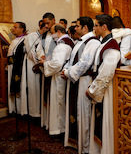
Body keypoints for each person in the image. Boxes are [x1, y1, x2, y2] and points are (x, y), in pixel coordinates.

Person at [61, 16, 100, 153]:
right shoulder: (80, 41)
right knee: (75, 111)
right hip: (75, 80)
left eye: (77, 26)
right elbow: (71, 60)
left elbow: (84, 63)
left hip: (83, 81)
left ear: (85, 27)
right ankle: (77, 142)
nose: (75, 28)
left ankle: (85, 147)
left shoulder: (93, 42)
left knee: (83, 113)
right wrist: (66, 69)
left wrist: (67, 72)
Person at [86, 14, 120, 154]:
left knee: (104, 120)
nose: (94, 28)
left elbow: (107, 72)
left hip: (107, 90)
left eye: (96, 25)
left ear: (104, 27)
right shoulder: (103, 43)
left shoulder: (112, 45)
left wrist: (93, 90)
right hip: (100, 87)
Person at [39, 24, 74, 136]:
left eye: (52, 33)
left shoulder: (61, 45)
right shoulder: (69, 41)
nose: (52, 36)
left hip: (59, 77)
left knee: (59, 103)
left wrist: (45, 63)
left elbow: (57, 64)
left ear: (59, 32)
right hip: (63, 75)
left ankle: (60, 129)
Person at [36, 12, 57, 129]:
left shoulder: (58, 33)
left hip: (54, 69)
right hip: (45, 68)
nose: (46, 26)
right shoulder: (44, 35)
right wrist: (41, 56)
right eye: (44, 24)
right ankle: (47, 122)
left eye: (48, 23)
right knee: (46, 95)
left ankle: (55, 125)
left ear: (54, 20)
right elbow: (39, 48)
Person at [23, 21, 47, 117]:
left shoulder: (46, 37)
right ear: (43, 27)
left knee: (39, 88)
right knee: (33, 87)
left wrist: (43, 58)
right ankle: (33, 112)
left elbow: (41, 50)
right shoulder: (31, 36)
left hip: (42, 65)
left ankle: (40, 110)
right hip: (31, 64)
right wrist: (38, 62)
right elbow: (31, 52)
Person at [7, 22, 27, 115]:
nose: (13, 29)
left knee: (20, 86)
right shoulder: (13, 40)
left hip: (19, 67)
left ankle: (20, 110)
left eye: (15, 27)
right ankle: (13, 109)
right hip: (11, 67)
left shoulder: (25, 40)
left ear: (22, 29)